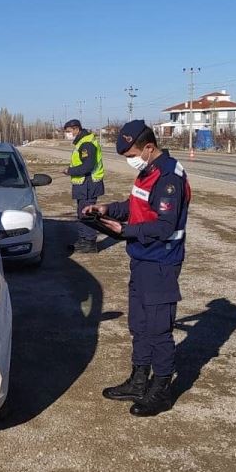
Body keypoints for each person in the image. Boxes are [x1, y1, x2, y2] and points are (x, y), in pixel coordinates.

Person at [83, 121, 191, 416]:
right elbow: (135, 206)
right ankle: (139, 379)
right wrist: (107, 210)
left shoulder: (169, 178)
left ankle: (162, 390)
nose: (130, 160)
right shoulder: (148, 172)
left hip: (161, 262)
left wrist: (125, 230)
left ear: (148, 147)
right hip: (142, 258)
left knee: (158, 330)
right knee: (140, 325)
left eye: (132, 153)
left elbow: (164, 225)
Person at [62, 118, 105, 254]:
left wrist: (69, 171)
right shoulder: (81, 142)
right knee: (81, 214)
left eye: (69, 131)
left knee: (87, 214)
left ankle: (90, 243)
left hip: (89, 184)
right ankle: (83, 240)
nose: (67, 134)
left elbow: (88, 166)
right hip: (83, 185)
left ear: (76, 129)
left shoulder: (86, 144)